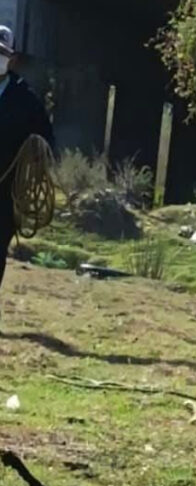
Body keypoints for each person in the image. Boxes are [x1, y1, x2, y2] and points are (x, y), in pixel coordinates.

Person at [0, 25, 55, 304]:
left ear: (12, 59)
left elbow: (47, 143)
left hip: (5, 194)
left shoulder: (26, 100)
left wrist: (36, 151)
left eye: (1, 53)